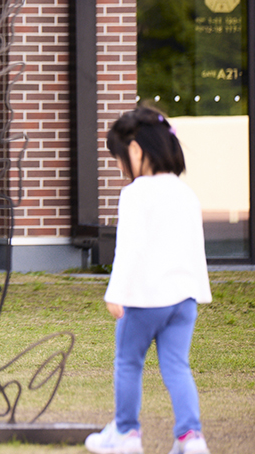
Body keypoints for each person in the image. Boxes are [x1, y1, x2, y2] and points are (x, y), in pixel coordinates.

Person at [85, 108, 212, 454]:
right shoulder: (186, 193)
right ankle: (191, 438)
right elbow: (194, 248)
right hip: (184, 299)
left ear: (136, 150)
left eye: (119, 158)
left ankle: (126, 433)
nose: (120, 167)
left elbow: (128, 248)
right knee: (177, 366)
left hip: (144, 300)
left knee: (128, 363)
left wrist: (116, 292)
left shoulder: (136, 193)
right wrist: (195, 291)